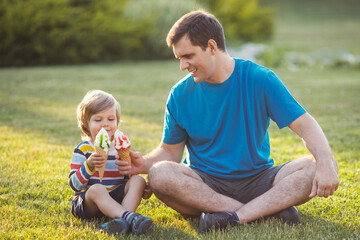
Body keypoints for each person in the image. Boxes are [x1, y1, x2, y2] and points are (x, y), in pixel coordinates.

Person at [116, 10, 339, 232]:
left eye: (188, 56)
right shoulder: (180, 94)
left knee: (315, 165)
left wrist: (326, 163)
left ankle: (235, 216)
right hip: (203, 186)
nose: (183, 66)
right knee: (159, 174)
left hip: (259, 180)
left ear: (212, 47)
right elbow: (170, 152)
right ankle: (264, 211)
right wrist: (143, 164)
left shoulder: (260, 79)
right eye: (180, 58)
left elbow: (304, 124)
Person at [69, 90, 153, 236]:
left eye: (110, 119)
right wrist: (88, 165)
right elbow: (74, 185)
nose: (105, 125)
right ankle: (129, 218)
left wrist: (138, 184)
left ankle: (122, 221)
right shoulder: (83, 149)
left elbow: (126, 181)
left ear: (117, 122)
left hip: (116, 199)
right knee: (97, 189)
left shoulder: (120, 148)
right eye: (98, 120)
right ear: (86, 125)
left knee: (138, 180)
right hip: (89, 203)